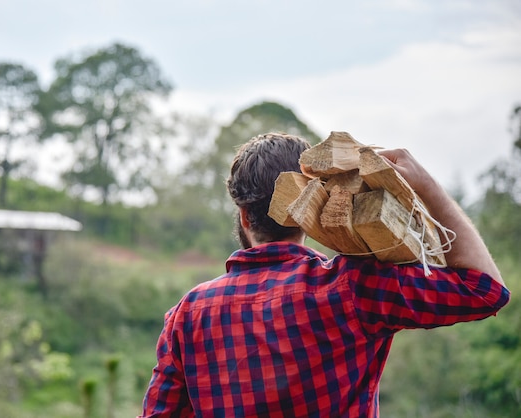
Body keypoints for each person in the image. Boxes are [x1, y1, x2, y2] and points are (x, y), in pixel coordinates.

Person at [139, 132, 509, 417]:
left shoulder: (188, 315)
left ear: (243, 216)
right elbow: (486, 290)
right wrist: (427, 188)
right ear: (309, 209)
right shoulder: (352, 288)